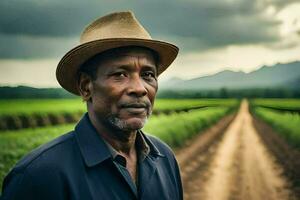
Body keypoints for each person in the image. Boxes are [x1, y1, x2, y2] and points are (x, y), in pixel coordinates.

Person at [0, 11, 183, 200]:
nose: (139, 88)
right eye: (120, 74)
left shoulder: (164, 158)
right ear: (86, 86)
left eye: (148, 75)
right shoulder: (39, 176)